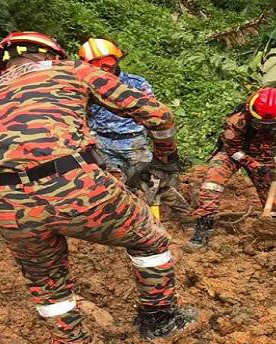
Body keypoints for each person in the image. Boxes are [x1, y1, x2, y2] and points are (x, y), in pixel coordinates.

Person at [0, 31, 198, 344]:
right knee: (150, 240)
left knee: (46, 283)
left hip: (4, 199)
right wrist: (167, 159)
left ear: (3, 64)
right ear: (52, 54)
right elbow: (157, 114)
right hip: (74, 184)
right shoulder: (71, 70)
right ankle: (158, 320)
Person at [78, 38, 191, 219]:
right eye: (98, 67)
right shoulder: (83, 88)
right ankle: (123, 223)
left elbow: (153, 114)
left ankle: (184, 216)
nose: (104, 71)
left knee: (153, 183)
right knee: (111, 188)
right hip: (102, 142)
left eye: (108, 65)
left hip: (133, 141)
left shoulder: (136, 84)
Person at [187, 87, 276, 250]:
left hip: (263, 154)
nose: (266, 128)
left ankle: (274, 227)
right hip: (235, 152)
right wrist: (256, 166)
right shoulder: (237, 122)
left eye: (272, 125)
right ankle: (204, 227)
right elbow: (232, 150)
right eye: (260, 124)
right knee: (212, 183)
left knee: (272, 193)